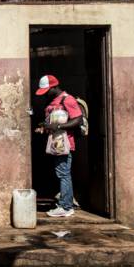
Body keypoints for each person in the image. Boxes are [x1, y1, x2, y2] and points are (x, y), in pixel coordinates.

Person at [33, 74, 83, 218]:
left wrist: (58, 126)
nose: (45, 94)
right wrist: (45, 128)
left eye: (47, 90)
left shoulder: (68, 100)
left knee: (63, 173)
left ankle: (66, 207)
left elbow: (77, 120)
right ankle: (65, 202)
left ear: (54, 87)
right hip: (55, 143)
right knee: (61, 173)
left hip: (64, 143)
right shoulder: (53, 100)